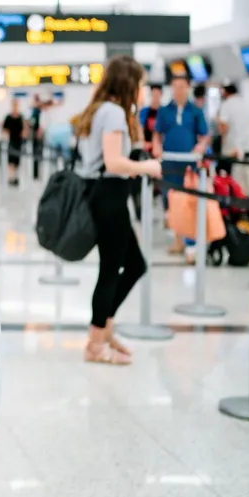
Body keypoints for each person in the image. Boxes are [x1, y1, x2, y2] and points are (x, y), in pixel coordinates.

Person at [72, 56, 164, 365]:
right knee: (111, 268)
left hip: (105, 195)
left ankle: (104, 329)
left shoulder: (103, 109)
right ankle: (96, 343)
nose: (143, 90)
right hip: (108, 196)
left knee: (134, 265)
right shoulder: (113, 112)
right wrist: (147, 167)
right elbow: (113, 162)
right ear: (129, 83)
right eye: (141, 84)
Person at [154, 74, 210, 258]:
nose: (179, 90)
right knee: (172, 201)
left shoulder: (195, 111)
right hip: (169, 162)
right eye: (175, 86)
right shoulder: (164, 111)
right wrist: (157, 147)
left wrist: (200, 147)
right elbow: (157, 133)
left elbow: (204, 135)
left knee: (189, 201)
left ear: (188, 88)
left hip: (189, 162)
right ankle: (178, 240)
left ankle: (191, 243)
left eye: (182, 86)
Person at [217, 82, 249, 195]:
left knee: (233, 182)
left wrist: (222, 139)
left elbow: (223, 127)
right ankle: (247, 200)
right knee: (248, 180)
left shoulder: (226, 105)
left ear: (225, 91)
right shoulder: (247, 103)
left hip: (232, 150)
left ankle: (234, 202)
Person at [2, 100, 26, 186]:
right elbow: (4, 129)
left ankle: (16, 177)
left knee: (17, 161)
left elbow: (24, 128)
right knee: (11, 161)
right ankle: (11, 178)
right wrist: (5, 137)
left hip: (19, 141)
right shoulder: (8, 117)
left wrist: (24, 134)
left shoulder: (21, 117)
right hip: (11, 141)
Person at [139, 84, 164, 157]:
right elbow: (140, 128)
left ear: (161, 95)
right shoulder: (144, 111)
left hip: (159, 148)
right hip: (146, 147)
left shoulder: (164, 112)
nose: (156, 97)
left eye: (157, 94)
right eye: (154, 94)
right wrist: (143, 142)